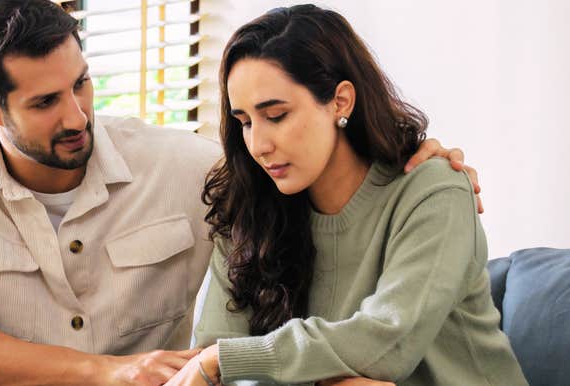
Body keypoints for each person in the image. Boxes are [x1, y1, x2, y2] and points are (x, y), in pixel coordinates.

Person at [0, 1, 483, 385]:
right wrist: (109, 372)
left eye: (82, 85)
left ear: (341, 101)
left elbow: (382, 334)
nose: (78, 115)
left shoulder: (203, 169)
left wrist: (425, 159)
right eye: (44, 103)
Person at [167, 4, 528, 386]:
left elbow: (387, 342)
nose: (258, 144)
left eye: (276, 116)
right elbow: (211, 358)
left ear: (341, 101)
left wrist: (237, 359)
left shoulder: (434, 192)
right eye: (245, 122)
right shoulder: (251, 209)